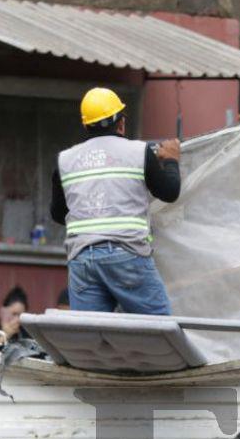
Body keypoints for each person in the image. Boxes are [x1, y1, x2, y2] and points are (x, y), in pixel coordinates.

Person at [51, 87, 182, 315]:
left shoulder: (65, 160)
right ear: (121, 123)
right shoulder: (138, 152)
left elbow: (57, 213)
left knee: (89, 339)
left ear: (86, 125)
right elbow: (169, 192)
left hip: (82, 260)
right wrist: (170, 161)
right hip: (127, 254)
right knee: (158, 330)